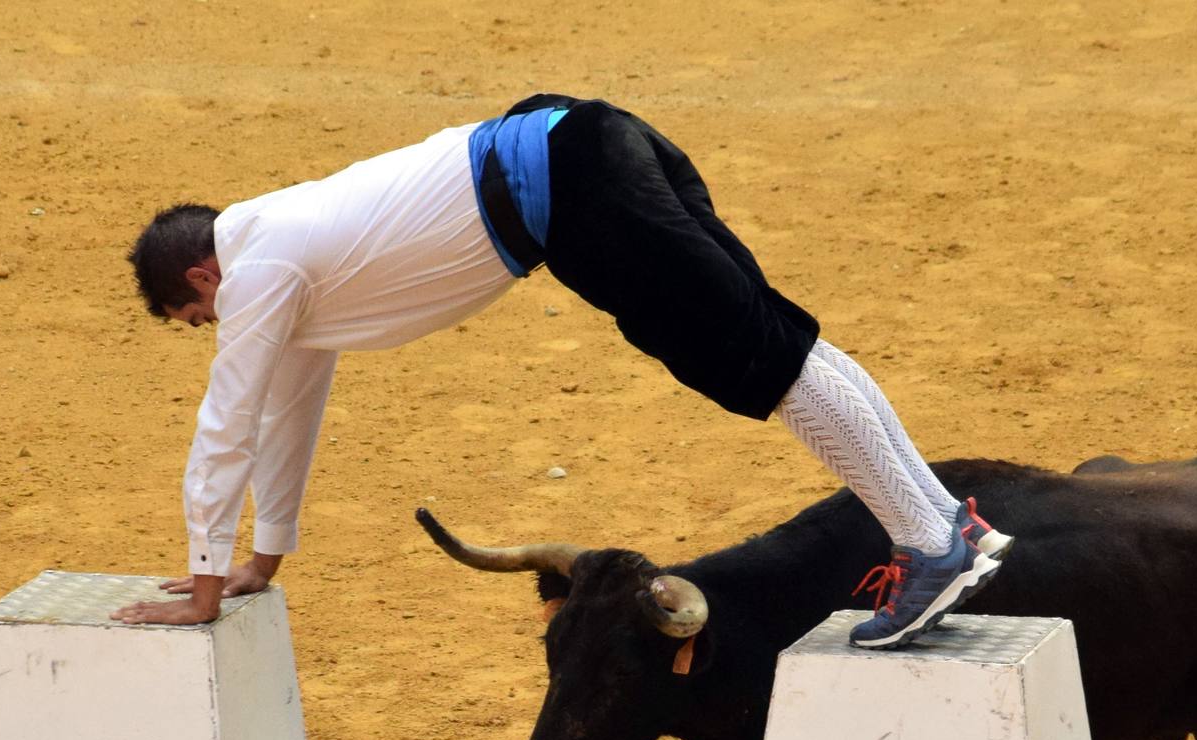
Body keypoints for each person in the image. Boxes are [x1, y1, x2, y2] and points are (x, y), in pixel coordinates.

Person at [115, 94, 1010, 648]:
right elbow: (286, 409)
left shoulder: (259, 269)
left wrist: (199, 591)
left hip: (577, 188)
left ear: (202, 277)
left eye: (202, 319)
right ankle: (939, 524)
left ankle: (928, 544)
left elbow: (227, 422)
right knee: (775, 338)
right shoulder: (279, 253)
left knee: (764, 359)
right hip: (582, 142)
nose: (218, 330)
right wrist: (258, 562)